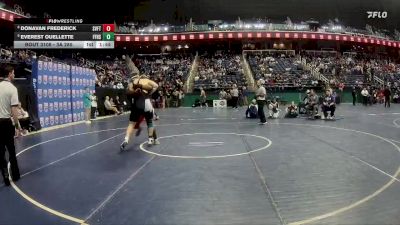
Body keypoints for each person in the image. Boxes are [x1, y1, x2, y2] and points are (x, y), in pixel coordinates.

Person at [120, 75, 160, 151]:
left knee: (131, 124)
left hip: (136, 105)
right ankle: (151, 139)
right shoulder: (145, 81)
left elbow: (129, 92)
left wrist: (135, 89)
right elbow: (155, 86)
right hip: (146, 102)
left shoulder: (130, 84)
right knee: (150, 122)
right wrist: (150, 92)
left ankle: (126, 139)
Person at [0, 65, 21, 186]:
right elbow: (14, 111)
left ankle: (5, 177)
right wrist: (18, 127)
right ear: (9, 74)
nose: (14, 75)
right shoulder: (12, 89)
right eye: (13, 73)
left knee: (0, 152)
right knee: (12, 150)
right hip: (6, 123)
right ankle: (16, 175)